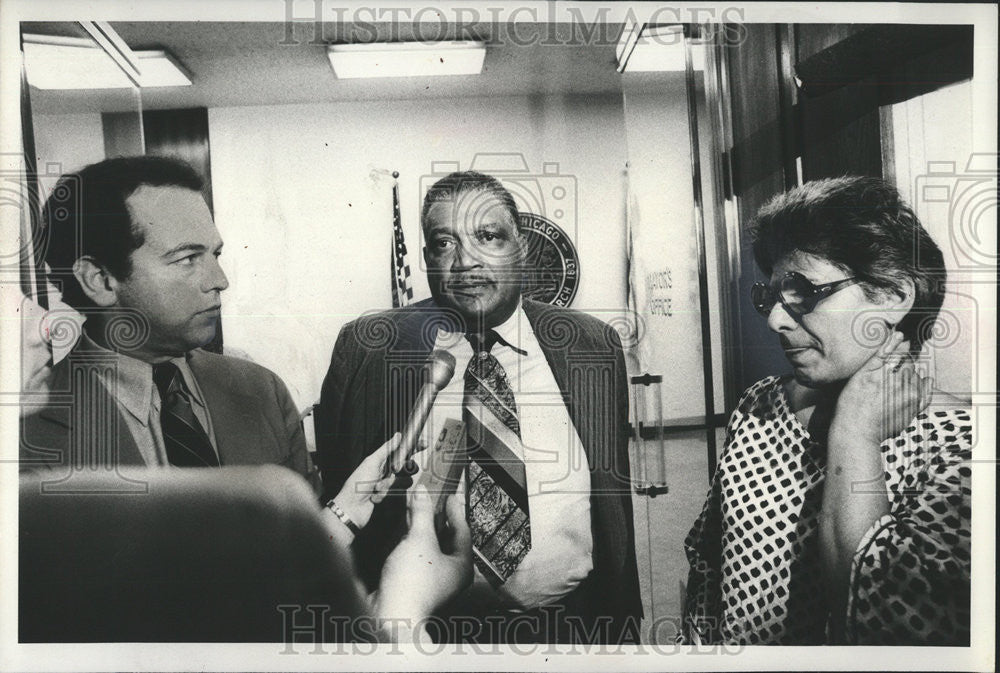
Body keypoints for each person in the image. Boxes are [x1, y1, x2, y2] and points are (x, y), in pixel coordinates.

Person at [315, 170, 641, 643]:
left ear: (521, 248)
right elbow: (342, 493)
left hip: (571, 628)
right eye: (444, 243)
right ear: (427, 257)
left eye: (487, 236)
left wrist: (623, 624)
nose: (466, 261)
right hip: (429, 635)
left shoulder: (590, 345)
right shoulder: (369, 349)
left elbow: (613, 502)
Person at [681, 176, 972, 645]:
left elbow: (884, 620)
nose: (776, 319)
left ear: (894, 295)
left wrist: (854, 435)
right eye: (771, 297)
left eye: (802, 291)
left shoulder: (962, 449)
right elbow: (708, 563)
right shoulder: (761, 406)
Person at [19, 156, 316, 488]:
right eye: (188, 258)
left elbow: (309, 535)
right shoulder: (26, 437)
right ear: (100, 280)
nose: (220, 281)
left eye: (214, 255)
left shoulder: (263, 391)